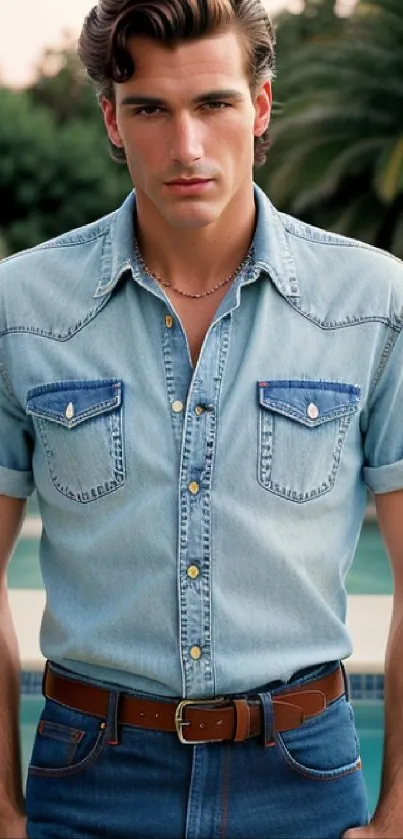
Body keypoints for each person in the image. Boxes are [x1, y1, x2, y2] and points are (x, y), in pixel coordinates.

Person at [1, 0, 403, 836]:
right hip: (89, 775)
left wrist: (399, 814)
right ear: (112, 118)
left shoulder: (373, 305)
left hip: (303, 773)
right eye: (150, 108)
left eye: (213, 103)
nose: (186, 147)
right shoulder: (20, 309)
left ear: (258, 107)